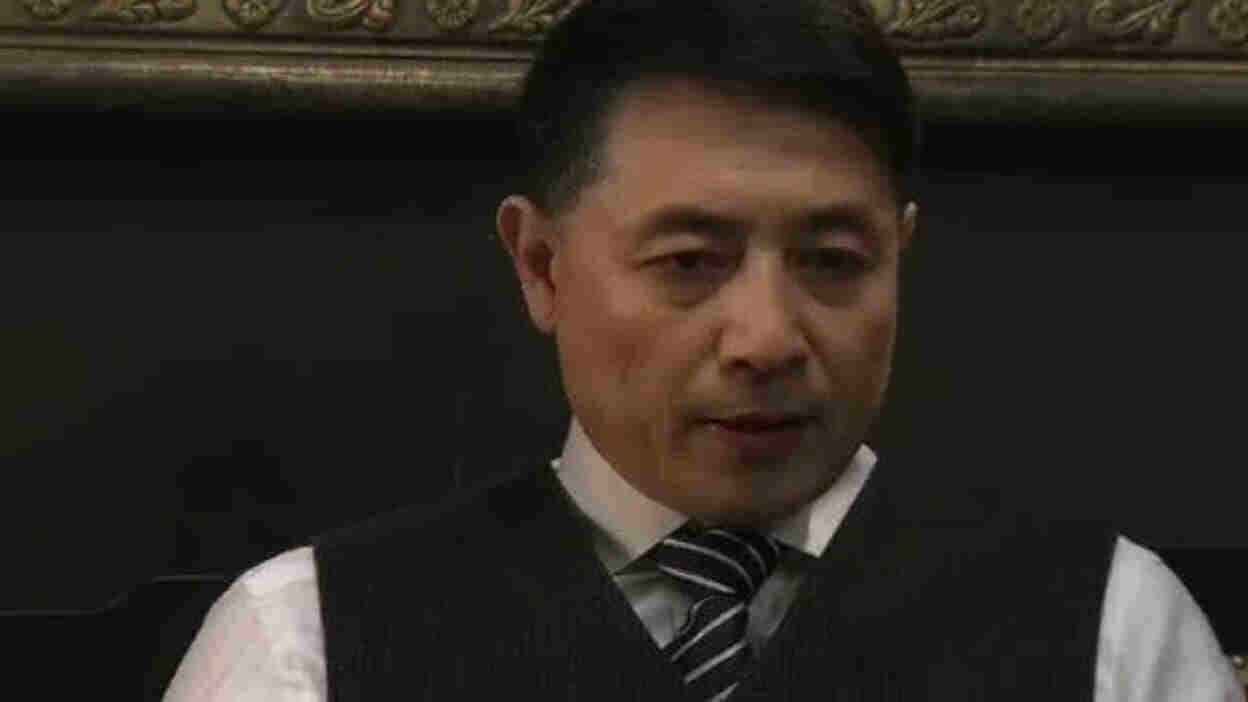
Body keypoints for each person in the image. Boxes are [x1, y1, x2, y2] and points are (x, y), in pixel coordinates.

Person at [163, 1, 1244, 700]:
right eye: (689, 262)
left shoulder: (1109, 631)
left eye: (833, 261)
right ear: (542, 265)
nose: (767, 338)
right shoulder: (306, 644)